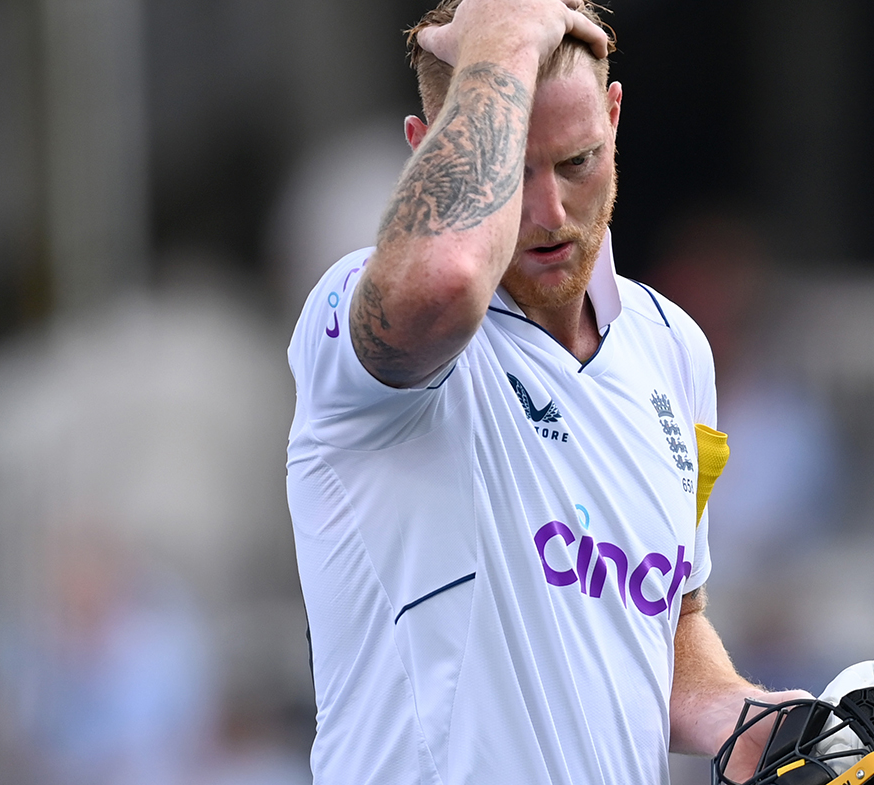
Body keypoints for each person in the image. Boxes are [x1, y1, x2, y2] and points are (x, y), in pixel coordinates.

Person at [285, 1, 806, 782]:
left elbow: (661, 628)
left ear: (615, 116)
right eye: (513, 173)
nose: (550, 213)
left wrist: (758, 721)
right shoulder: (363, 307)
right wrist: (501, 33)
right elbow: (449, 274)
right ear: (428, 154)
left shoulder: (676, 349)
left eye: (576, 162)